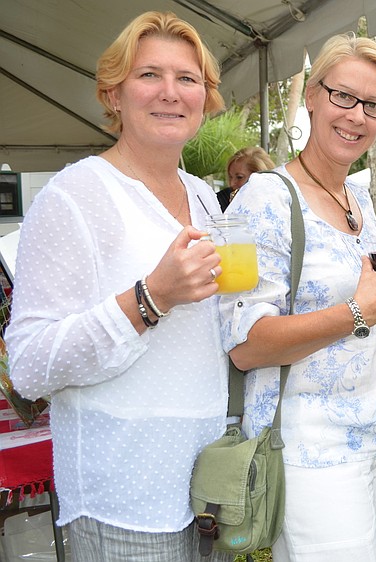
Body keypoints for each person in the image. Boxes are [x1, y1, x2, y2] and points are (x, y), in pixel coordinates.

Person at [5, 11, 232, 561]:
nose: (170, 92)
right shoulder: (73, 196)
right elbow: (29, 365)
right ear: (113, 94)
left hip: (210, 487)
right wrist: (150, 298)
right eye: (149, 74)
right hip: (125, 496)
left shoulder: (204, 196)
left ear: (205, 98)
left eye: (187, 78)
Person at [218, 33, 376, 561]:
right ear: (311, 95)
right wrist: (361, 311)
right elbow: (246, 345)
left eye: (373, 105)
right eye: (343, 96)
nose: (357, 116)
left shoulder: (360, 199)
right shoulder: (265, 197)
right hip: (311, 448)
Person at [217, 146, 275, 211]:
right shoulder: (221, 202)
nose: (232, 183)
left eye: (239, 177)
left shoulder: (278, 203)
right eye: (230, 177)